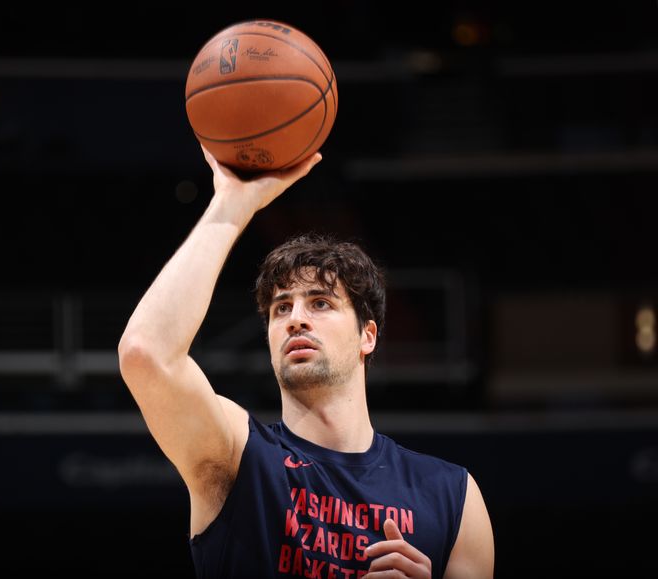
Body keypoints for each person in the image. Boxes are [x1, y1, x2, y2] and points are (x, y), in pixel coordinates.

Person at [118, 147, 494, 579]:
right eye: (280, 309)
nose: (295, 318)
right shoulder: (238, 457)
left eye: (320, 303)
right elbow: (146, 352)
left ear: (366, 336)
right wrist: (231, 205)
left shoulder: (454, 495)